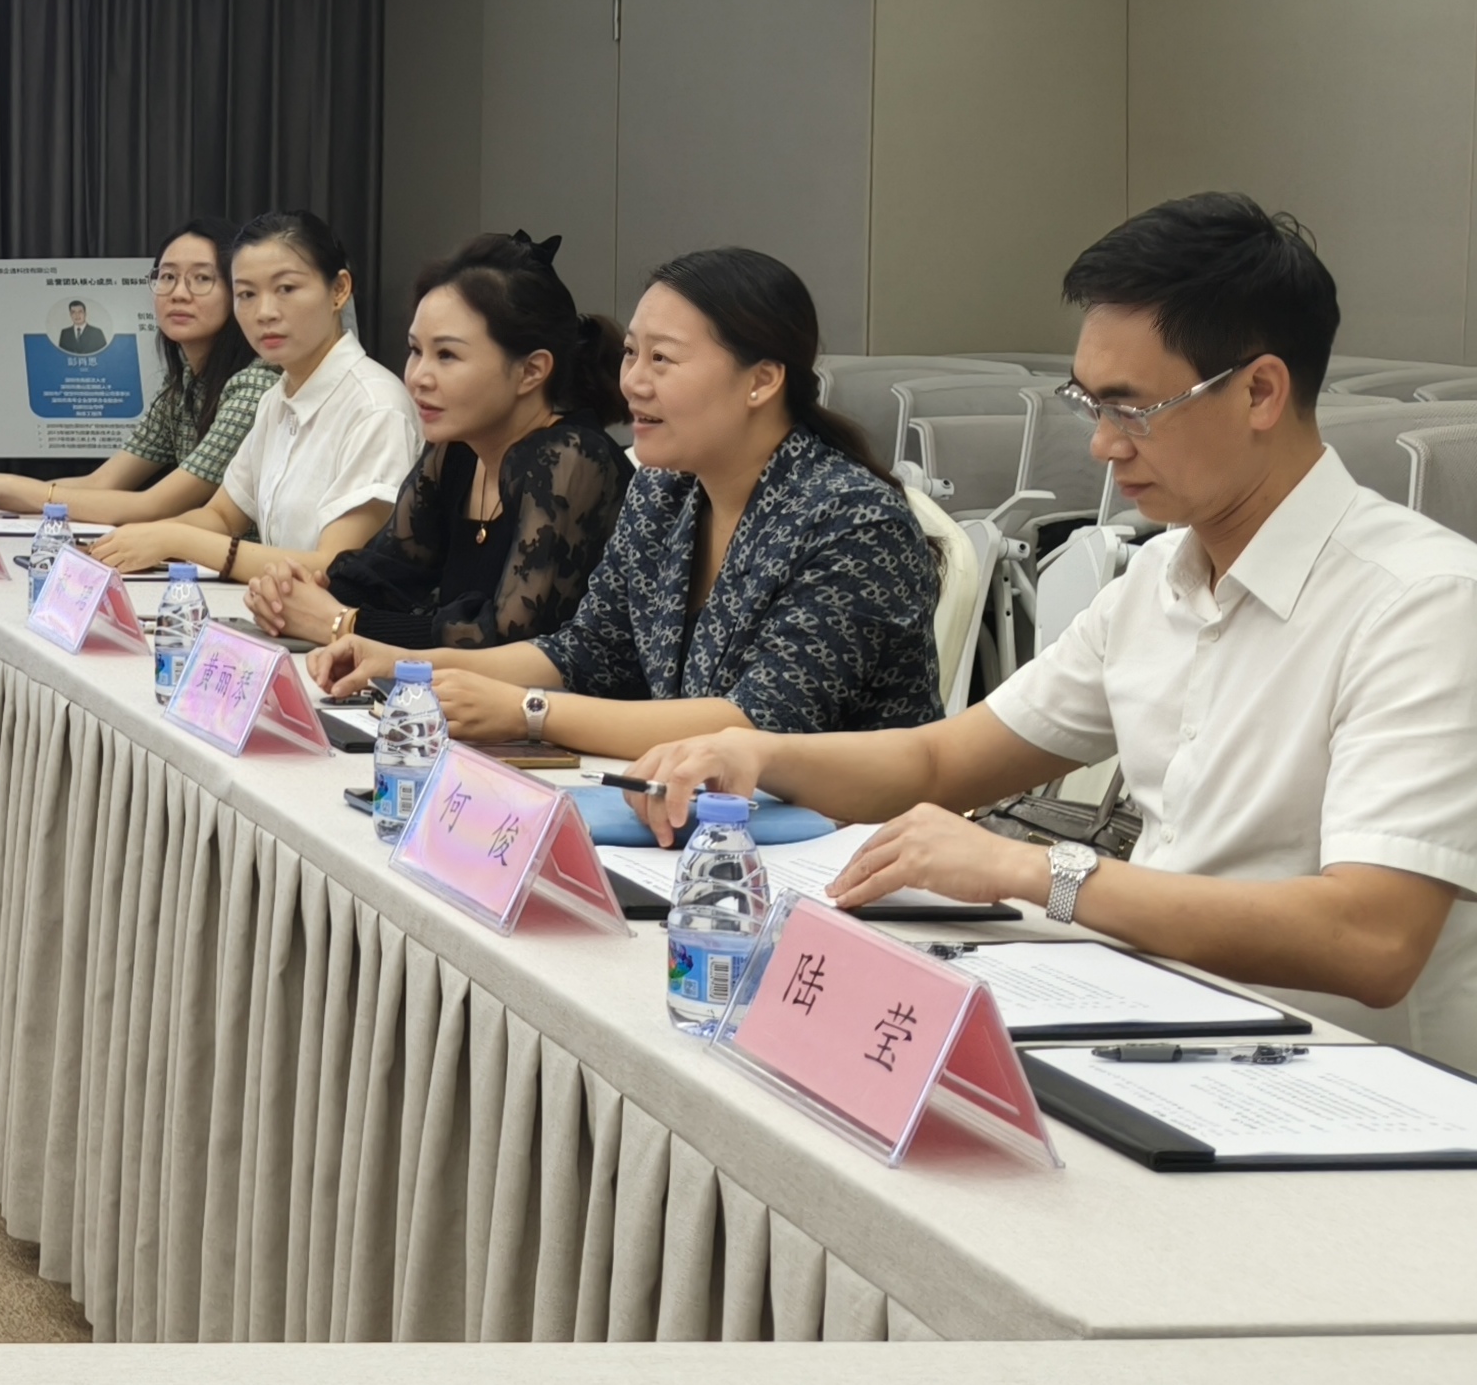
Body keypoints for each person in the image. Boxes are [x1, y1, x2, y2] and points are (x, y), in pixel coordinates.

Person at [633, 197, 1477, 1068]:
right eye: (1089, 405)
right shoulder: (1159, 577)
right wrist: (758, 754)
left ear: (1260, 391)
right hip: (1160, 1027)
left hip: (1347, 1083)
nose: (1104, 446)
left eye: (1133, 409)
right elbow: (942, 762)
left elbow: (1371, 940)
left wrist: (1039, 873)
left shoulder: (1423, 602)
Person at [313, 245, 940, 759]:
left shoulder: (853, 521)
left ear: (762, 380)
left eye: (662, 359)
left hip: (845, 839)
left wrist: (530, 712)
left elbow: (759, 722)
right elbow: (587, 651)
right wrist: (409, 664)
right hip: (697, 808)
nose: (633, 382)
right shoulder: (665, 491)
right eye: (632, 353)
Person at [237, 231, 630, 655]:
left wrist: (341, 623)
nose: (418, 377)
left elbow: (507, 638)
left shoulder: (573, 458)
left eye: (447, 355)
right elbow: (389, 572)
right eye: (415, 350)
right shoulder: (457, 447)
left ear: (531, 371)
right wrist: (298, 593)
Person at [99, 212, 420, 588]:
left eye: (286, 289)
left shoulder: (376, 407)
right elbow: (222, 516)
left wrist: (174, 539)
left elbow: (331, 566)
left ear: (339, 290)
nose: (264, 313)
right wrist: (130, 542)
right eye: (247, 294)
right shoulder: (276, 398)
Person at [0, 224, 272, 531]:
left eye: (201, 278)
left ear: (238, 293)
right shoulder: (183, 385)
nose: (179, 293)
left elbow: (152, 506)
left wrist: (4, 485)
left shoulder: (253, 388)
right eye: (168, 276)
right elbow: (100, 483)